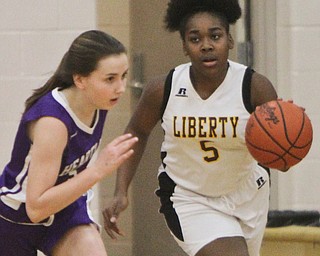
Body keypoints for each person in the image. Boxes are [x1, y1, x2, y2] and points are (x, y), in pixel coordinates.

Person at [103, 1, 283, 255]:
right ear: (185, 47)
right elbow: (137, 132)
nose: (206, 45)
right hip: (189, 197)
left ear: (230, 41)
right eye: (195, 38)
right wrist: (120, 190)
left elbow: (280, 140)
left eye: (216, 36)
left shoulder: (255, 87)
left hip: (247, 194)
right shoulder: (163, 89)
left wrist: (284, 151)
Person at [0, 30, 138, 256]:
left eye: (123, 76)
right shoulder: (52, 122)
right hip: (17, 217)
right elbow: (36, 208)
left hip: (64, 209)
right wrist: (99, 170)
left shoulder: (100, 102)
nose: (120, 88)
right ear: (80, 79)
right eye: (110, 79)